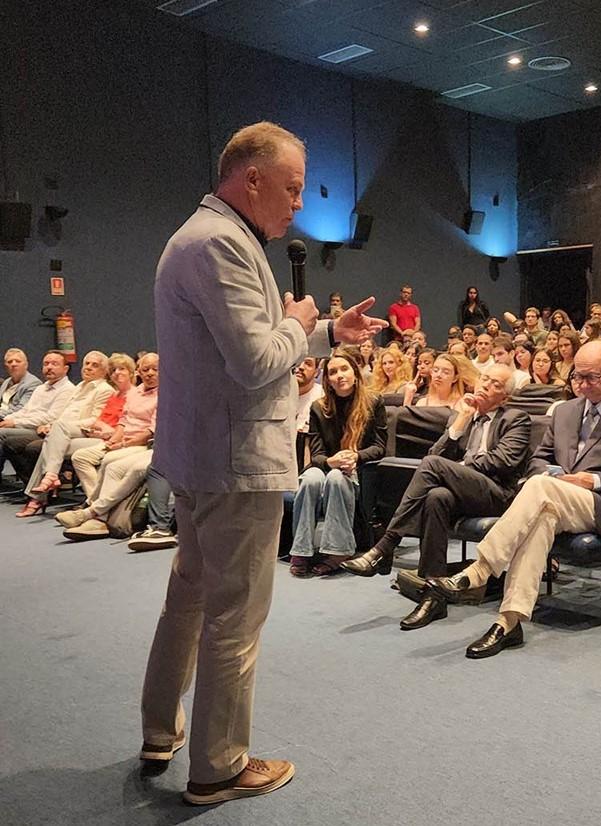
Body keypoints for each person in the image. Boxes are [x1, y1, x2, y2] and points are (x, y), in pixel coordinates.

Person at [137, 121, 386, 806]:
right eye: (293, 187)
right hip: (234, 461)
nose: (299, 203)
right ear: (251, 178)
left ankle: (162, 730)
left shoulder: (202, 235)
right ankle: (218, 766)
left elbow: (245, 343)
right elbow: (256, 362)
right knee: (233, 618)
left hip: (200, 456)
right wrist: (301, 319)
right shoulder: (222, 243)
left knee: (187, 597)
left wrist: (328, 329)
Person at [427, 341, 601, 659]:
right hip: (555, 497)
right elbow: (538, 459)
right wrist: (552, 474)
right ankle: (509, 622)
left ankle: (480, 569)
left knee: (539, 488)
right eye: (578, 376)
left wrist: (593, 480)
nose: (583, 384)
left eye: (591, 377)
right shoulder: (564, 411)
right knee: (542, 514)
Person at [342, 364, 531, 629]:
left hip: (497, 495)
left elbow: (503, 461)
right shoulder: (463, 415)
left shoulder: (516, 418)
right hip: (462, 492)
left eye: (495, 384)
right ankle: (433, 595)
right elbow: (436, 452)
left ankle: (386, 546)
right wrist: (460, 424)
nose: (486, 385)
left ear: (505, 397)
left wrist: (456, 470)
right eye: (484, 379)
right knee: (436, 497)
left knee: (434, 466)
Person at [289, 351, 387, 577]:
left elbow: (380, 446)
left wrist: (356, 456)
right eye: (333, 372)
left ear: (355, 373)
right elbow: (316, 454)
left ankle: (338, 552)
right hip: (326, 465)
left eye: (344, 369)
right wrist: (330, 461)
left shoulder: (373, 401)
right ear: (327, 380)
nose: (339, 375)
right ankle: (301, 550)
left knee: (335, 478)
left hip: (355, 470)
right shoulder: (318, 407)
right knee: (311, 479)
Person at [16, 352, 135, 517]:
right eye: (114, 370)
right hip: (86, 432)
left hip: (104, 438)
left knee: (52, 443)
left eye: (95, 365)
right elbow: (98, 419)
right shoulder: (106, 393)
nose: (116, 373)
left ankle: (40, 495)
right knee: (53, 442)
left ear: (132, 372)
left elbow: (118, 423)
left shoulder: (115, 392)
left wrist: (105, 431)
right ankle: (47, 485)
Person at [0, 348, 41, 421]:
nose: (13, 364)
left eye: (18, 361)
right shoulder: (6, 382)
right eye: (10, 362)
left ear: (26, 365)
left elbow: (21, 410)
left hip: (15, 421)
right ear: (6, 366)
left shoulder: (33, 383)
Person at [294, 357, 323, 435]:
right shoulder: (278, 395)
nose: (301, 367)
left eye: (308, 364)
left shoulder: (323, 397)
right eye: (297, 362)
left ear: (316, 372)